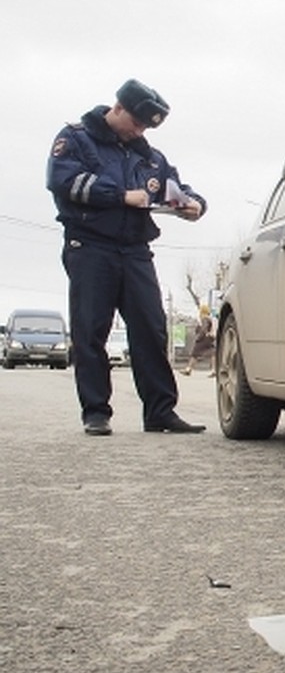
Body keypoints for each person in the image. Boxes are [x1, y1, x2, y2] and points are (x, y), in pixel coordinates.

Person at [46, 79, 208, 436]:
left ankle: (160, 412)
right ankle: (96, 412)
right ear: (117, 108)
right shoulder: (75, 138)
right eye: (136, 123)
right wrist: (120, 196)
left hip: (135, 250)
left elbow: (174, 187)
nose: (139, 131)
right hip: (89, 245)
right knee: (91, 331)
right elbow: (63, 181)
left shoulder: (148, 156)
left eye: (145, 127)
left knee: (151, 329)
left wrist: (193, 204)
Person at [182, 303, 215, 376]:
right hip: (209, 338)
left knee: (195, 353)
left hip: (203, 338)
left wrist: (199, 337)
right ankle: (214, 370)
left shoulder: (204, 318)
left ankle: (188, 369)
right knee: (212, 353)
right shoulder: (209, 318)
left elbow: (204, 328)